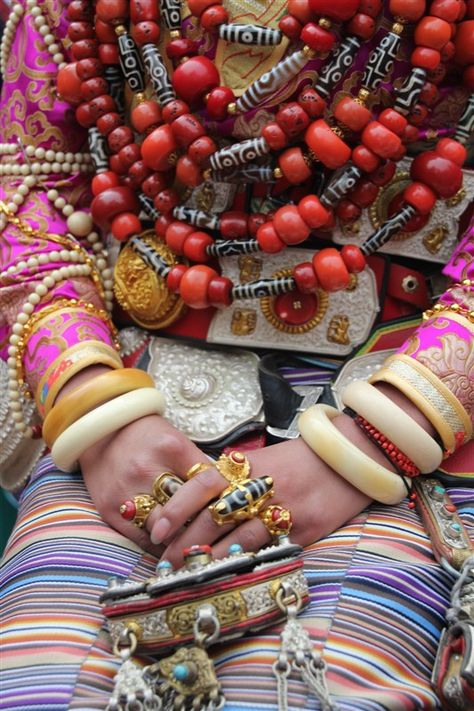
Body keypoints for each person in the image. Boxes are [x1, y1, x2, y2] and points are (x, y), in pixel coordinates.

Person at [0, 0, 473, 708]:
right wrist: (94, 406)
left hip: (412, 413)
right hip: (134, 414)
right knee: (41, 687)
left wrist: (378, 437)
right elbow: (27, 185)